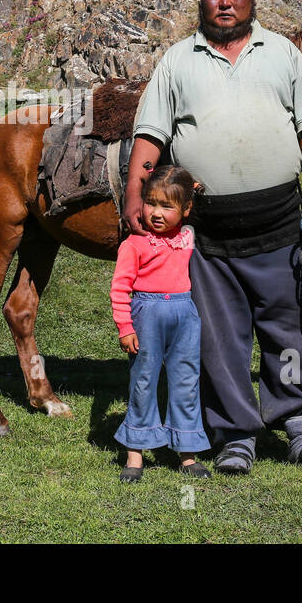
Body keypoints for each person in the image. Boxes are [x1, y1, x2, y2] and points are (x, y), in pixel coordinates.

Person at [122, 0, 302, 475]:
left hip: (280, 224)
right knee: (218, 337)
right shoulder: (177, 61)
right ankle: (235, 437)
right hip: (209, 237)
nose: (225, 2)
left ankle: (301, 430)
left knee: (294, 327)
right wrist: (136, 194)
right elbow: (151, 135)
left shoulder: (284, 55)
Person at [109, 165, 211, 483]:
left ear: (185, 210)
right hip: (147, 316)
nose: (156, 213)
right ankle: (135, 454)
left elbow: (204, 209)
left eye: (167, 206)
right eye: (151, 203)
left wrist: (193, 188)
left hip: (184, 316)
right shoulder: (134, 244)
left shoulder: (188, 236)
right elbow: (120, 287)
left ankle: (187, 453)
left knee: (185, 381)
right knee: (143, 382)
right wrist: (125, 327)